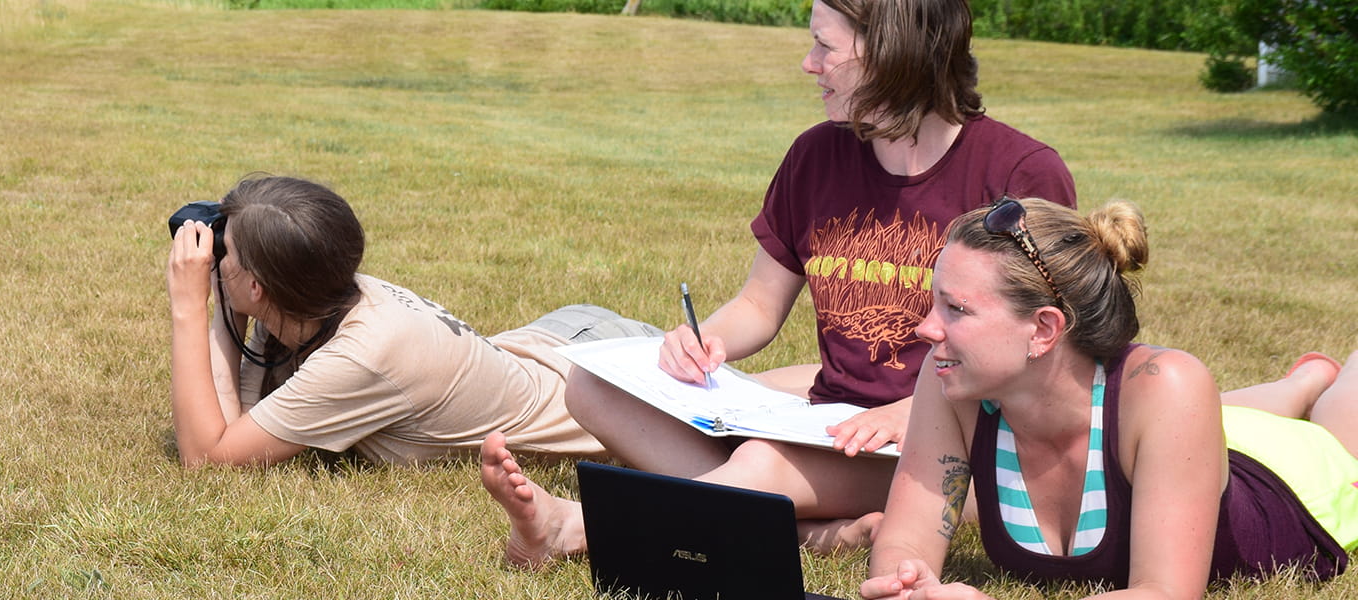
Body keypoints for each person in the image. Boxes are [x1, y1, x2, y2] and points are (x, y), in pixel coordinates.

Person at [484, 0, 1077, 568]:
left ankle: (577, 529)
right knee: (592, 385)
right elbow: (759, 304)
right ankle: (810, 531)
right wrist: (703, 341)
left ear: (891, 51)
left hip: (956, 449)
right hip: (831, 420)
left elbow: (1045, 360)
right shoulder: (817, 156)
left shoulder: (1019, 175)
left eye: (824, 45)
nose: (808, 63)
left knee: (763, 461)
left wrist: (907, 413)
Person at [861, 198, 1358, 599]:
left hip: (1296, 480)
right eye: (933, 302)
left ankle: (1318, 384)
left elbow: (1165, 592)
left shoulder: (1168, 386)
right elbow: (906, 538)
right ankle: (1304, 382)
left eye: (956, 309)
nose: (926, 329)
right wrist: (905, 585)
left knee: (1338, 428)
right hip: (1183, 445)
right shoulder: (954, 378)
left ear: (1043, 328)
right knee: (1229, 417)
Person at [166, 175, 662, 468]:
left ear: (259, 287)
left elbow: (210, 460)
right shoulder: (306, 295)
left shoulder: (362, 354)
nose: (214, 251)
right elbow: (239, 424)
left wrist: (190, 307)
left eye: (224, 247)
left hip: (616, 387)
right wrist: (230, 304)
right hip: (561, 342)